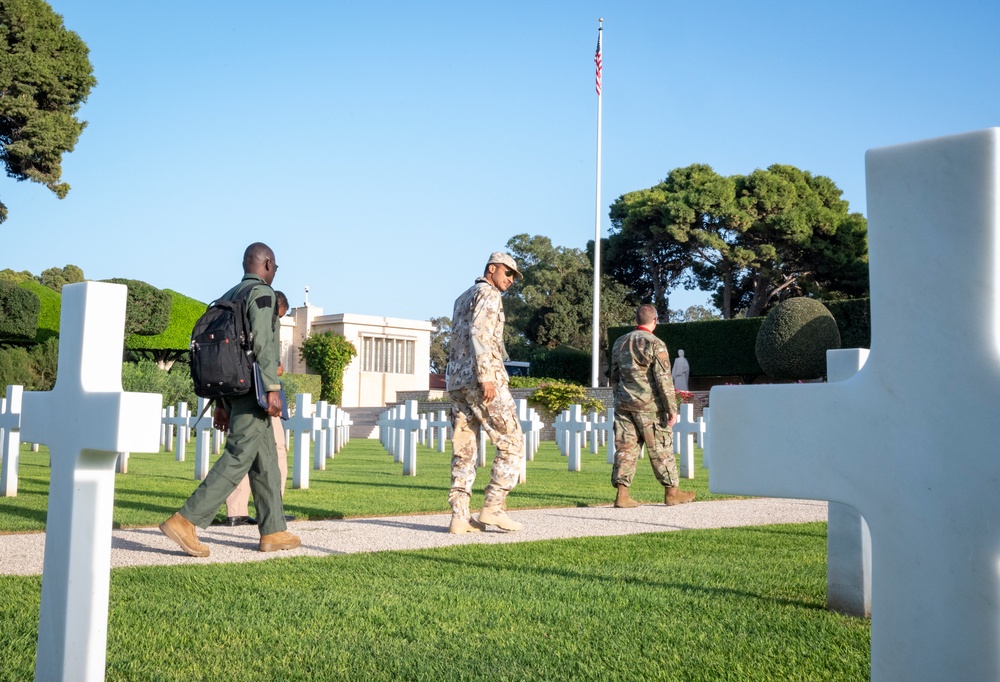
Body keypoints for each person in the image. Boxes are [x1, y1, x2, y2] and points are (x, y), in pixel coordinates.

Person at [160, 243, 301, 556]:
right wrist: (273, 388)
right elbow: (263, 344)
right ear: (266, 264)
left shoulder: (229, 295)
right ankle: (186, 520)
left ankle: (274, 530)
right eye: (275, 266)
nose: (275, 272)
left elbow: (226, 353)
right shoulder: (261, 294)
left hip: (234, 390)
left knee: (265, 464)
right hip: (253, 391)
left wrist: (222, 404)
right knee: (239, 456)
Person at [445, 252, 526, 533]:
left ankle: (459, 517)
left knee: (464, 449)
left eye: (514, 276)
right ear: (492, 269)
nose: (511, 279)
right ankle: (493, 508)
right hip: (482, 382)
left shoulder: (462, 297)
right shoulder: (490, 294)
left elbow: (458, 339)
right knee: (512, 442)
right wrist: (486, 376)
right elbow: (480, 334)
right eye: (508, 273)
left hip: (457, 382)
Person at [610, 304, 696, 508]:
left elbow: (614, 376)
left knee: (625, 448)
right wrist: (671, 409)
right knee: (661, 448)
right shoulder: (656, 344)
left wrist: (618, 398)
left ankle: (622, 495)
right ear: (655, 321)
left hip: (624, 404)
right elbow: (663, 379)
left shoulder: (619, 342)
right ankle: (672, 492)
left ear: (636, 320)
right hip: (650, 407)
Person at [222, 290, 292, 526]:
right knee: (278, 451)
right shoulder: (263, 324)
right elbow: (272, 366)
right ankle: (274, 511)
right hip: (262, 399)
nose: (278, 322)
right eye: (279, 316)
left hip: (237, 397)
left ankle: (236, 512)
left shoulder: (238, 322)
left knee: (241, 454)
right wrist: (274, 375)